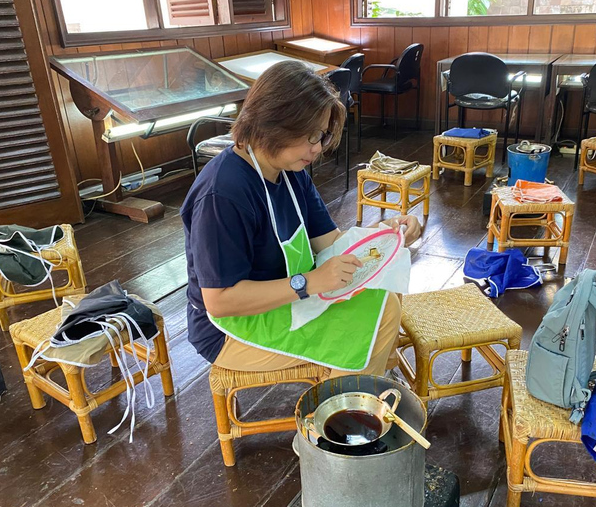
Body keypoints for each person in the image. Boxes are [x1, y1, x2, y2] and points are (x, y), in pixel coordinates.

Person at [181, 61, 422, 377]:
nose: (318, 148)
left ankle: (365, 389)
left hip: (284, 300)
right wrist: (310, 282)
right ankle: (333, 419)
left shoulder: (289, 170)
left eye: (320, 136)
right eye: (310, 136)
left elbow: (330, 242)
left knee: (384, 291)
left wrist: (386, 235)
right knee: (373, 319)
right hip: (228, 329)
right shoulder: (223, 193)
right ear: (273, 122)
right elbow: (220, 301)